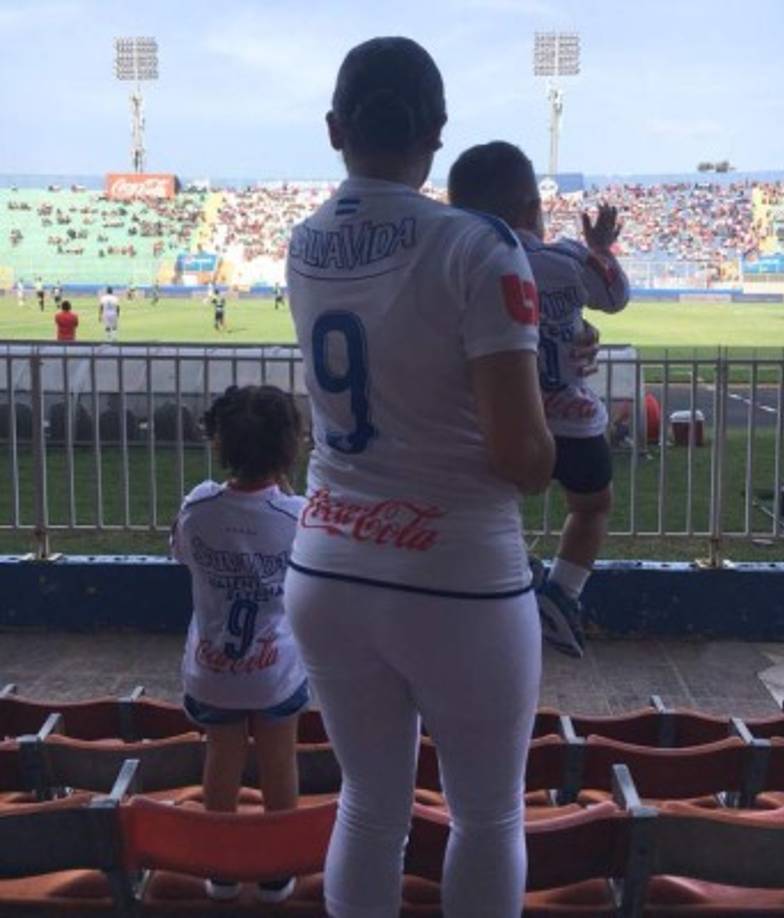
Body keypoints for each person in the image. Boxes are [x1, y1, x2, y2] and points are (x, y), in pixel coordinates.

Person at [284, 37, 554, 918]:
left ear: (335, 129)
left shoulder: (303, 242)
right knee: (485, 816)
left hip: (326, 564)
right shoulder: (481, 246)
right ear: (438, 131)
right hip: (458, 575)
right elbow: (522, 459)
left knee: (369, 807)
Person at [448, 141, 630, 658]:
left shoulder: (456, 267)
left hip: (493, 421)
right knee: (592, 506)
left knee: (492, 504)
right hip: (572, 421)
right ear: (533, 209)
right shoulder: (565, 259)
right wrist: (598, 248)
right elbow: (615, 295)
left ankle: (505, 575)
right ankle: (563, 593)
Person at [171, 385, 309, 904]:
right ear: (289, 446)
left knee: (221, 759)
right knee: (280, 760)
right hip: (276, 673)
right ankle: (277, 872)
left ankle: (222, 871)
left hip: (212, 671)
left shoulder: (199, 504)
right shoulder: (299, 515)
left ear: (221, 444)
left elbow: (181, 553)